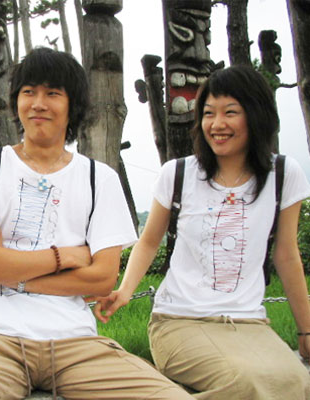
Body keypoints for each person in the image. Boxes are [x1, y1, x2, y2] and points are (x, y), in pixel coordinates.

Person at [0, 47, 193, 400]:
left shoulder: (99, 179)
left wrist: (11, 267)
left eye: (52, 93)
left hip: (76, 342)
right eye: (28, 92)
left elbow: (102, 278)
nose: (38, 104)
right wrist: (65, 257)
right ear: (16, 101)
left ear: (72, 105)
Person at [91, 65, 310, 399]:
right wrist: (124, 290)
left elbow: (286, 254)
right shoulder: (178, 174)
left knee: (297, 384)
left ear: (257, 115)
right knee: (248, 384)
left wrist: (306, 330)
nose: (216, 124)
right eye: (208, 113)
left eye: (230, 112)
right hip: (178, 322)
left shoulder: (283, 174)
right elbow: (149, 242)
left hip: (249, 323)